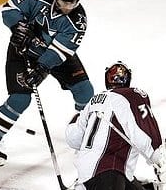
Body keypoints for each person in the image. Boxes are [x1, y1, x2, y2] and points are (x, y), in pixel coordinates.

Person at [0, 0, 94, 166]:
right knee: (20, 99)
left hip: (53, 55)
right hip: (22, 51)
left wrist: (43, 68)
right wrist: (17, 26)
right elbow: (10, 8)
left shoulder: (78, 21)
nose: (67, 7)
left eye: (72, 3)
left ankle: (87, 134)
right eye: (63, 1)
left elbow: (60, 51)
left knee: (85, 91)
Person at [65, 61, 166, 190]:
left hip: (88, 175)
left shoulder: (93, 101)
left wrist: (75, 120)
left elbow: (74, 139)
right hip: (108, 173)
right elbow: (143, 130)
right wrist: (160, 159)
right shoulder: (132, 94)